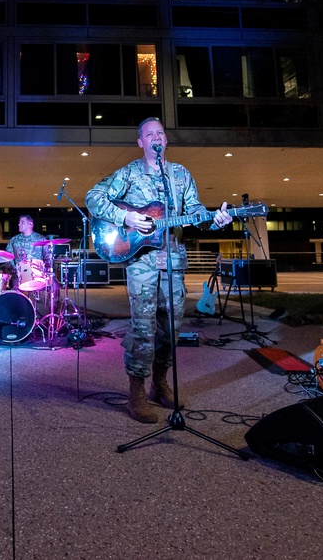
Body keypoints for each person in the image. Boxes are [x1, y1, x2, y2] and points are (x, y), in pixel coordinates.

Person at [86, 117, 233, 423]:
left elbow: (193, 212)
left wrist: (212, 219)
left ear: (165, 140)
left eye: (160, 133)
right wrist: (125, 218)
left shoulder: (180, 174)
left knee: (171, 329)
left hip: (173, 263)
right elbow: (93, 197)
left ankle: (159, 383)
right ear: (141, 142)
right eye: (149, 134)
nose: (156, 137)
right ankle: (136, 392)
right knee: (142, 329)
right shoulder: (129, 173)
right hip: (142, 264)